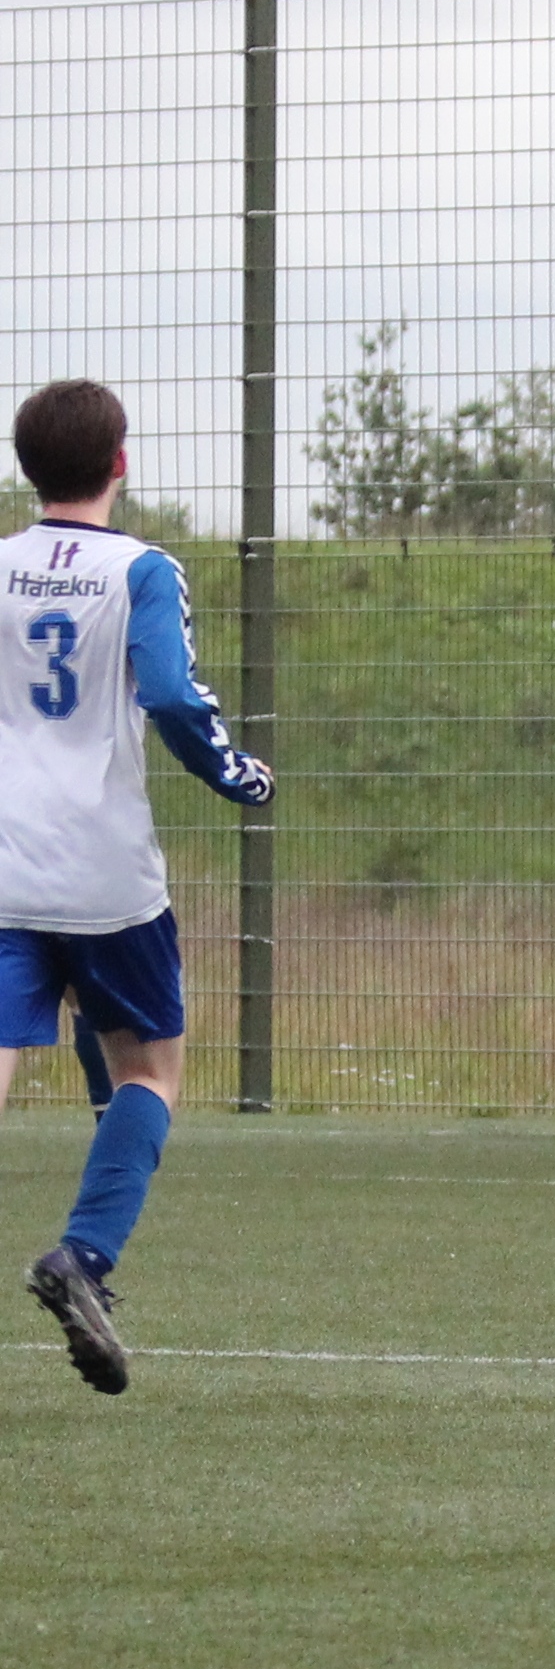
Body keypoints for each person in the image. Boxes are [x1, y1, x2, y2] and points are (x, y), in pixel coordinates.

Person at [4, 380, 276, 1393]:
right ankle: (83, 1256)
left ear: (27, 467)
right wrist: (236, 773)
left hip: (3, 862)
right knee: (148, 1072)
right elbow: (166, 691)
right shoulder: (141, 570)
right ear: (120, 462)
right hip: (105, 874)